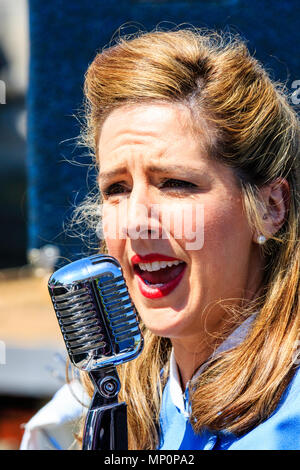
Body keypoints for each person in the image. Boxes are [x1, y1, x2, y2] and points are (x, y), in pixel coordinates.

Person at [21, 27, 300, 450]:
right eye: (116, 188)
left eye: (174, 183)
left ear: (270, 207)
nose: (135, 221)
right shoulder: (84, 416)